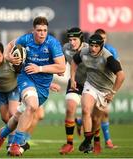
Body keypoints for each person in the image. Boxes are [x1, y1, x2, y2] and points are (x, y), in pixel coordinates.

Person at [0, 16, 66, 156]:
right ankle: (16, 143)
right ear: (34, 30)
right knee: (32, 106)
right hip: (26, 79)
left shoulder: (53, 43)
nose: (42, 33)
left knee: (17, 117)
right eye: (39, 30)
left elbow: (61, 67)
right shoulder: (26, 39)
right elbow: (9, 46)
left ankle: (1, 136)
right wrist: (9, 57)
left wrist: (40, 69)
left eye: (45, 30)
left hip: (43, 87)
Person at [70, 34, 125, 154]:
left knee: (96, 119)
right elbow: (74, 61)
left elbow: (121, 76)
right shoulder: (84, 52)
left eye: (96, 46)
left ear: (101, 46)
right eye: (91, 45)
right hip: (90, 85)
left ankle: (88, 141)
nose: (93, 48)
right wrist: (72, 78)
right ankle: (88, 141)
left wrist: (113, 92)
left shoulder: (108, 57)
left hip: (105, 90)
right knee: (85, 110)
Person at [59, 27, 89, 155]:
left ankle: (88, 142)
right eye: (70, 39)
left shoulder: (89, 49)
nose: (72, 42)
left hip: (91, 84)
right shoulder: (65, 48)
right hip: (74, 82)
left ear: (81, 39)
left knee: (89, 112)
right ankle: (69, 144)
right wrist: (59, 69)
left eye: (75, 39)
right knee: (70, 108)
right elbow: (61, 63)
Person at [94, 28, 119, 149]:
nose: (102, 41)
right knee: (102, 112)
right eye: (100, 38)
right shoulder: (91, 49)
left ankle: (106, 141)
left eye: (104, 38)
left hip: (106, 85)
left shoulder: (111, 50)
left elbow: (117, 67)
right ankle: (102, 141)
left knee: (103, 114)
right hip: (93, 84)